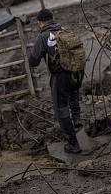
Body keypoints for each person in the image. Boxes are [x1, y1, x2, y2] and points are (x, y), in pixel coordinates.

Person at [28, 8, 83, 154]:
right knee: (72, 96)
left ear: (40, 22)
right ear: (52, 18)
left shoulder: (43, 36)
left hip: (60, 76)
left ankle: (73, 143)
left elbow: (33, 60)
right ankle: (77, 120)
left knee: (61, 108)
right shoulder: (64, 30)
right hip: (76, 72)